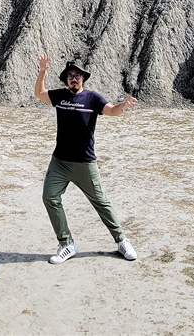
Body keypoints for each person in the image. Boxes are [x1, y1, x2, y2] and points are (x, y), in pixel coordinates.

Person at [34, 53, 138, 264]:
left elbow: (111, 111)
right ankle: (67, 244)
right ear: (66, 80)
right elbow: (40, 93)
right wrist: (43, 71)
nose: (74, 78)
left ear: (83, 79)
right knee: (50, 197)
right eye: (70, 76)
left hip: (85, 163)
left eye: (78, 76)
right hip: (60, 162)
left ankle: (122, 240)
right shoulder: (61, 96)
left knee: (101, 202)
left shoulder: (92, 98)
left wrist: (123, 106)